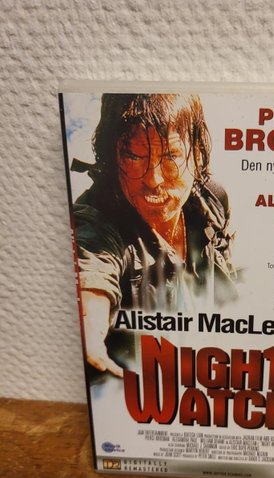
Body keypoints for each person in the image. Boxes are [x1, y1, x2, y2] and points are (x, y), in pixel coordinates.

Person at [71, 93, 238, 377]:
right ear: (113, 156)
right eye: (134, 157)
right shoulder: (97, 217)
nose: (153, 179)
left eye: (171, 156)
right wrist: (90, 330)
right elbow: (92, 268)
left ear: (197, 154)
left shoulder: (211, 201)